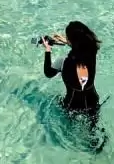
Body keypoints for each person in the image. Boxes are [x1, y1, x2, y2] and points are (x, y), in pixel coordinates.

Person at [42, 21, 105, 151]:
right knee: (93, 129)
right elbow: (83, 47)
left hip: (72, 104)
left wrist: (48, 50)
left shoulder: (63, 62)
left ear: (72, 42)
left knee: (69, 128)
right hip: (92, 100)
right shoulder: (92, 51)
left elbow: (48, 72)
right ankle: (98, 147)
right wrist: (68, 41)